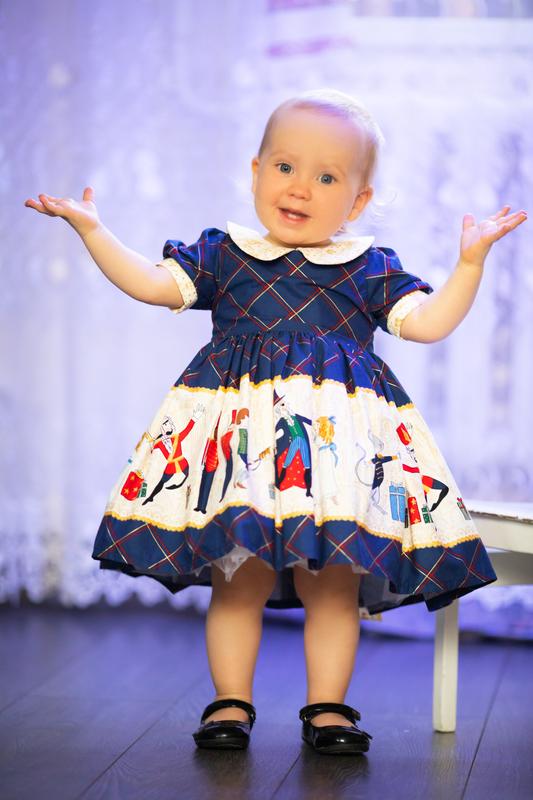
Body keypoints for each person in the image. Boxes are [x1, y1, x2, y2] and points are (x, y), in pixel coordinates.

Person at [24, 88, 527, 755]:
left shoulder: (367, 268)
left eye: (327, 177)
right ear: (256, 171)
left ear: (358, 202)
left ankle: (329, 709)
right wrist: (93, 230)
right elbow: (151, 283)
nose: (299, 187)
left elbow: (428, 324)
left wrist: (469, 264)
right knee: (238, 578)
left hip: (335, 462)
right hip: (242, 455)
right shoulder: (224, 255)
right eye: (285, 167)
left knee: (334, 586)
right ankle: (229, 703)